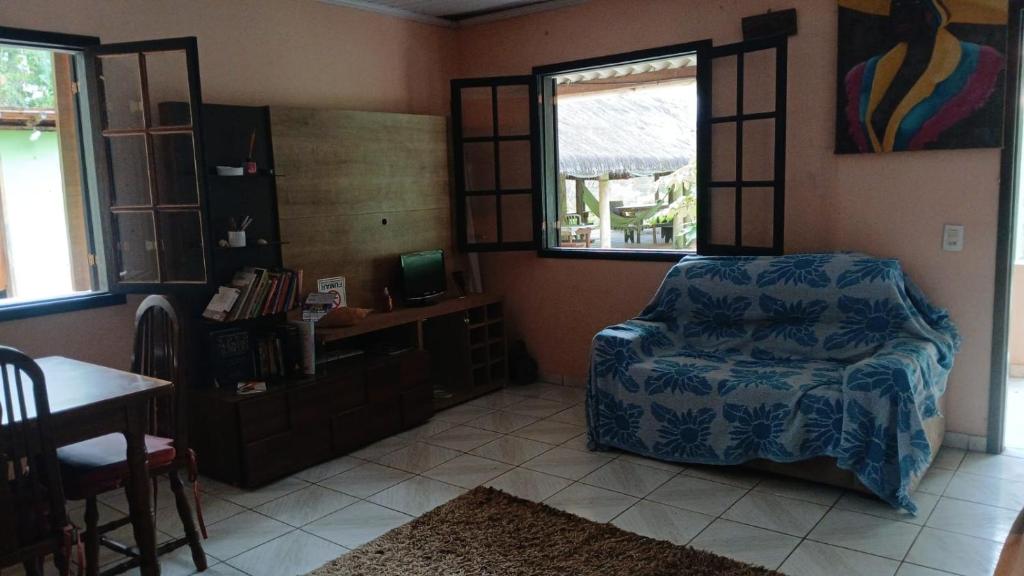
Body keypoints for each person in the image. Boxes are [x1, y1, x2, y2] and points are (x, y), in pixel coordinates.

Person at [843, 0, 1004, 152]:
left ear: (931, 13)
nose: (898, 15)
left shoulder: (975, 64)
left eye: (908, 6)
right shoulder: (867, 73)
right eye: (895, 6)